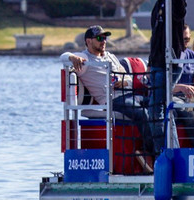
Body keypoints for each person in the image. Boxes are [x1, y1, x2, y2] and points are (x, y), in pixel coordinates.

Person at [61, 25, 154, 171]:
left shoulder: (111, 56)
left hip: (130, 94)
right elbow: (63, 57)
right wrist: (72, 57)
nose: (103, 41)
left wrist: (122, 81)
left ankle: (166, 150)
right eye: (99, 38)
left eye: (105, 37)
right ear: (89, 41)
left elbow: (129, 79)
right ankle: (149, 152)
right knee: (141, 114)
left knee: (159, 105)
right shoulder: (85, 59)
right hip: (113, 99)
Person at [147, 0, 187, 152]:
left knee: (157, 110)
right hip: (157, 63)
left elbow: (181, 12)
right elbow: (156, 37)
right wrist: (150, 63)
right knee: (159, 109)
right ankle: (169, 150)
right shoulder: (159, 3)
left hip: (168, 62)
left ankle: (163, 152)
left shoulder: (171, 0)